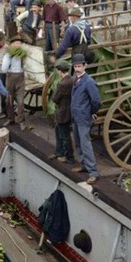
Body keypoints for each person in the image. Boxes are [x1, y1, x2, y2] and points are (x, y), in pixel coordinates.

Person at [70, 53, 101, 185]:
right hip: (75, 116)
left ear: (85, 66)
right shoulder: (75, 79)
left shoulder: (89, 81)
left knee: (85, 143)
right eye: (75, 66)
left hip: (83, 117)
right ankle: (83, 164)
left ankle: (93, 172)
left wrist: (90, 112)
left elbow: (96, 101)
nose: (77, 69)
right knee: (77, 142)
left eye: (79, 66)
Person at [49, 61, 75, 164]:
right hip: (70, 109)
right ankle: (59, 152)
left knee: (64, 135)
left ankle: (69, 158)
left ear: (60, 71)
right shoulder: (73, 80)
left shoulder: (62, 83)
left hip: (62, 112)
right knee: (58, 130)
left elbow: (55, 98)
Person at [1, 35, 27, 130]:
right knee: (9, 100)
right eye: (17, 43)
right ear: (12, 44)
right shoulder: (8, 55)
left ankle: (21, 121)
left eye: (20, 43)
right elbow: (4, 69)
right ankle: (10, 118)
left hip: (20, 78)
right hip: (10, 78)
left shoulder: (23, 54)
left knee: (20, 101)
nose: (19, 45)